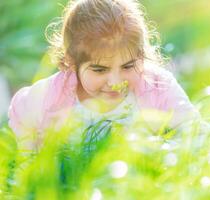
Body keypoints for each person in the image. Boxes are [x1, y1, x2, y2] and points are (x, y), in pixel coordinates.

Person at [8, 0, 199, 149]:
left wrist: (164, 149)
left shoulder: (157, 87)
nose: (115, 82)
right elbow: (22, 117)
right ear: (71, 62)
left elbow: (195, 132)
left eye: (128, 66)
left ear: (141, 56)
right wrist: (32, 152)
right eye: (100, 70)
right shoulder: (49, 98)